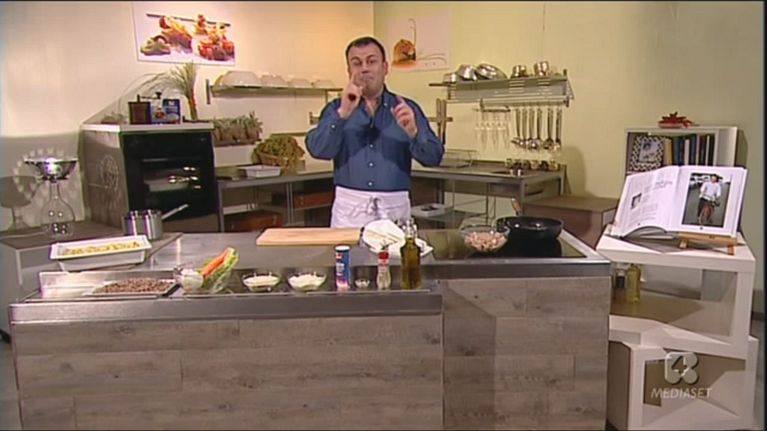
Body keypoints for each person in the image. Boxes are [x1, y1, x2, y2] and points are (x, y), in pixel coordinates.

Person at [305, 36, 444, 228]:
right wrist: (342, 114)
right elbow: (318, 150)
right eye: (357, 63)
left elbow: (434, 158)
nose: (364, 68)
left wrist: (414, 132)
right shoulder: (336, 109)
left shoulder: (406, 109)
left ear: (385, 68)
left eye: (371, 61)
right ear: (349, 71)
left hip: (394, 213)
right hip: (349, 214)